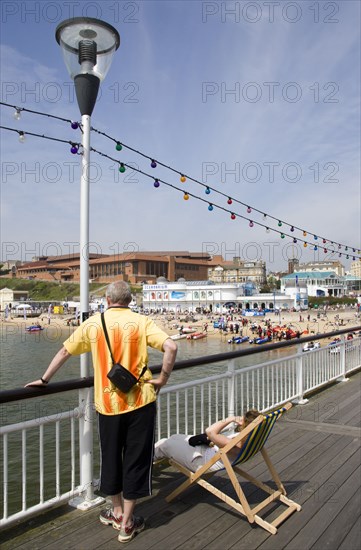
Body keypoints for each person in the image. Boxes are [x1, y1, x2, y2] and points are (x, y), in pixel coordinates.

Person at [25, 281, 177, 544]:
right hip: (141, 402)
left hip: (107, 405)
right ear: (129, 300)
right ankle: (127, 523)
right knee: (136, 460)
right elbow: (171, 347)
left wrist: (44, 379)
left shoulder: (94, 323)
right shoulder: (141, 322)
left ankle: (116, 511)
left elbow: (64, 351)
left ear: (107, 300)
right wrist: (162, 378)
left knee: (111, 457)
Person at [153, 409, 261, 472]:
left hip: (201, 462)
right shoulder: (254, 438)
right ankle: (150, 458)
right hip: (208, 453)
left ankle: (140, 462)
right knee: (175, 437)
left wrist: (231, 418)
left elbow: (209, 431)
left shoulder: (234, 444)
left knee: (164, 443)